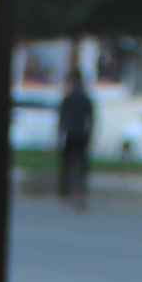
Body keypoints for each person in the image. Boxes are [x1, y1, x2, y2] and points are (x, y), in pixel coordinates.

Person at [56, 67, 95, 208]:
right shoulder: (86, 99)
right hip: (82, 135)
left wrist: (59, 139)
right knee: (81, 167)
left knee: (67, 166)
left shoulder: (68, 98)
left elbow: (62, 120)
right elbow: (91, 120)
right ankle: (80, 193)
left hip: (70, 135)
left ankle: (65, 195)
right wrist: (89, 136)